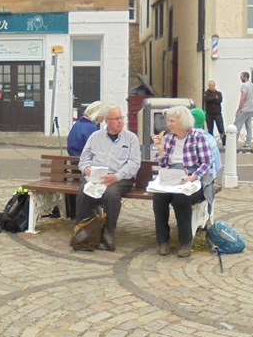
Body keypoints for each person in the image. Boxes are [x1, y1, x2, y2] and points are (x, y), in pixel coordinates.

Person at [74, 105, 141, 252]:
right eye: (116, 119)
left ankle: (108, 234)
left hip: (120, 177)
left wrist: (116, 177)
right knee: (84, 192)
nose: (120, 121)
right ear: (107, 121)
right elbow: (84, 158)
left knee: (111, 194)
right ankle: (83, 232)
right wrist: (87, 169)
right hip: (96, 176)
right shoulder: (95, 137)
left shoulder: (131, 139)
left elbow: (134, 164)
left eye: (121, 118)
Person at [151, 105, 214, 258]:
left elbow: (207, 163)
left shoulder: (197, 137)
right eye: (168, 120)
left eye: (172, 120)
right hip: (174, 178)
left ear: (182, 122)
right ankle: (162, 241)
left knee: (181, 200)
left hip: (195, 179)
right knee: (159, 198)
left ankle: (185, 242)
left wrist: (192, 177)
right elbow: (164, 164)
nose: (168, 124)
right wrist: (160, 149)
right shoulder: (170, 138)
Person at [233, 71, 253, 150]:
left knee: (237, 125)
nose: (240, 78)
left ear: (245, 77)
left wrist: (239, 109)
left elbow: (243, 98)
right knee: (248, 126)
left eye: (241, 76)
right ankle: (248, 143)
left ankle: (233, 143)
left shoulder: (244, 85)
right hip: (251, 108)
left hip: (244, 109)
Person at [203, 80, 226, 147]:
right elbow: (207, 99)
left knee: (221, 128)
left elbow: (219, 100)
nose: (211, 86)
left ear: (214, 85)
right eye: (210, 85)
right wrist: (214, 98)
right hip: (209, 114)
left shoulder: (219, 93)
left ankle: (224, 142)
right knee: (210, 129)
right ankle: (212, 143)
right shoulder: (206, 93)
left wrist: (213, 99)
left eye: (212, 85)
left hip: (217, 114)